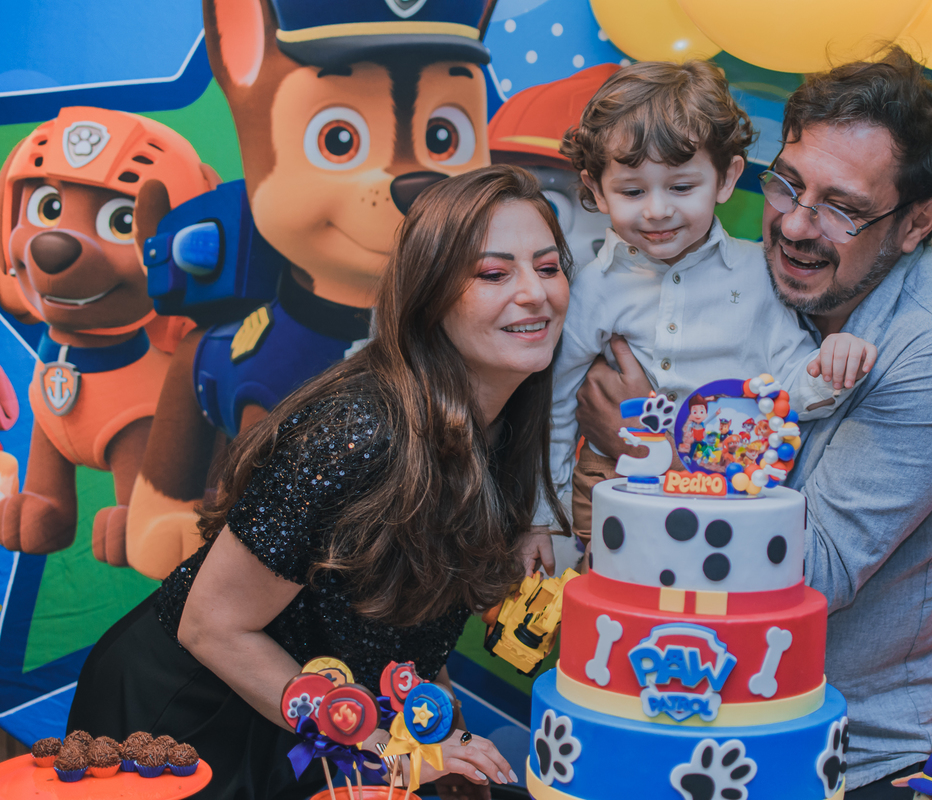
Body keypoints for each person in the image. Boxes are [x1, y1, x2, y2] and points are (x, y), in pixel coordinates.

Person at [571, 48, 932, 799]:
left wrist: (654, 442)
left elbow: (812, 571)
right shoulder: (748, 284)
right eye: (789, 185)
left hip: (844, 754)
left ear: (916, 223)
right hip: (681, 711)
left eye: (842, 207)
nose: (796, 225)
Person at [67, 165, 573, 800]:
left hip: (313, 723)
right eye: (494, 274)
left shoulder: (503, 429)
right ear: (429, 294)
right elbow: (213, 626)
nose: (535, 293)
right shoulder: (359, 432)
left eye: (549, 268)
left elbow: (403, 623)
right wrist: (392, 750)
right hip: (192, 716)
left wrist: (442, 743)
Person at [544, 60, 876, 542]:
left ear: (725, 179)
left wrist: (831, 364)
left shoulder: (759, 274)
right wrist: (543, 518)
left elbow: (787, 388)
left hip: (726, 487)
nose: (658, 210)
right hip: (613, 483)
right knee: (612, 605)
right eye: (632, 191)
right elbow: (555, 410)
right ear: (596, 189)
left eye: (682, 187)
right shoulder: (592, 288)